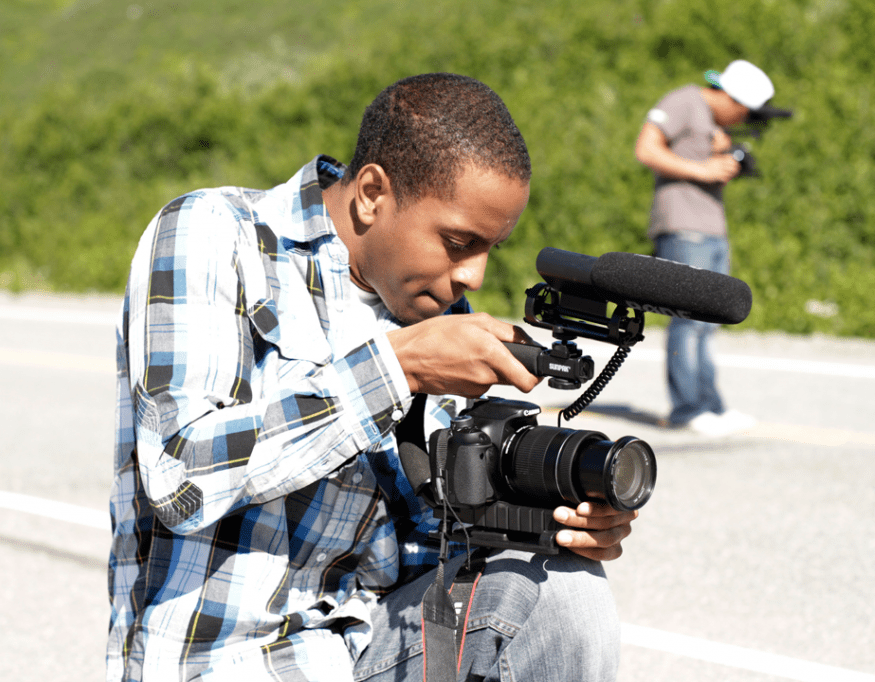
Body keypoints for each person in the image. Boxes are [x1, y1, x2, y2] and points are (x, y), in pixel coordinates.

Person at [108, 73, 638, 682]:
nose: (474, 276)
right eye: (458, 242)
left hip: (369, 647)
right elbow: (180, 475)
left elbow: (436, 540)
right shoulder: (214, 232)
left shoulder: (436, 311)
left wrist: (557, 519)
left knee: (562, 589)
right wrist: (397, 368)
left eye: (491, 248)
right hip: (227, 663)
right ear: (371, 193)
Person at [634, 59, 771, 437]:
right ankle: (686, 409)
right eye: (743, 111)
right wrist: (703, 169)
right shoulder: (684, 101)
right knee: (687, 321)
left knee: (708, 323)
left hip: (712, 229)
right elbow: (645, 148)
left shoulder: (713, 121)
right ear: (730, 97)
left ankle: (711, 405)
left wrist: (721, 160)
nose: (741, 118)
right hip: (682, 228)